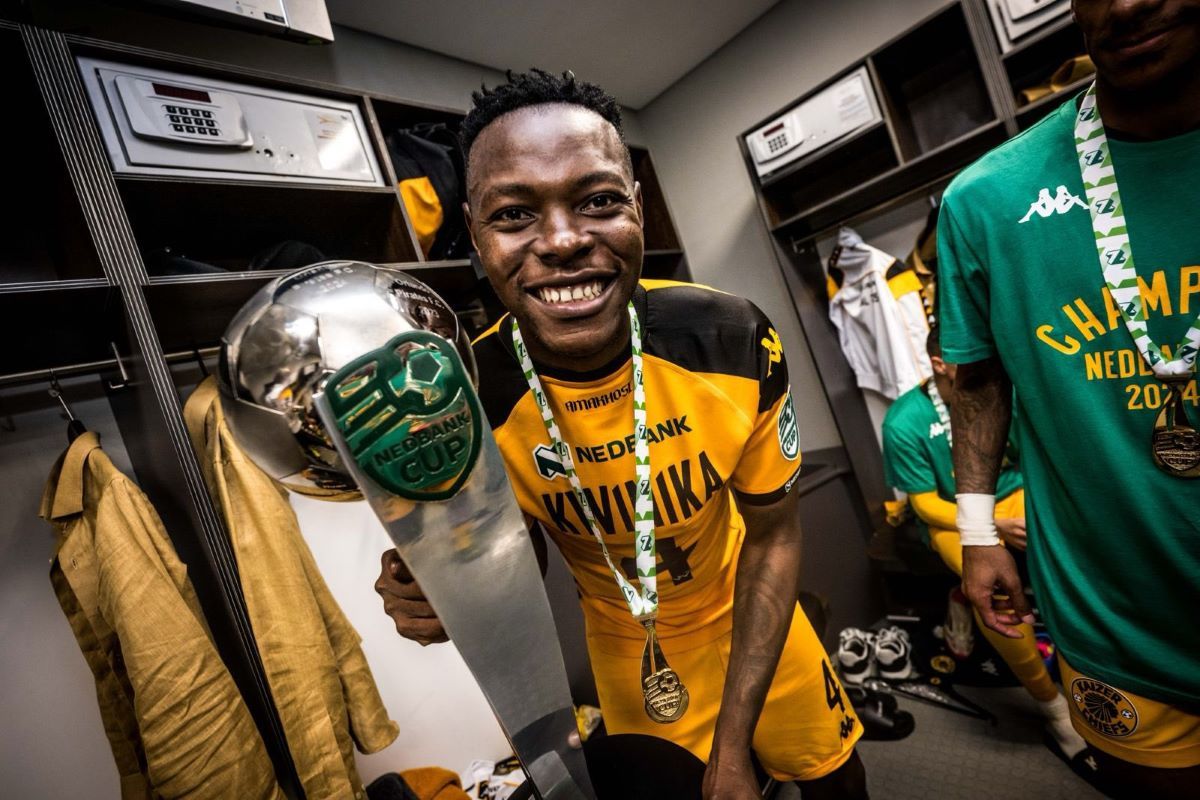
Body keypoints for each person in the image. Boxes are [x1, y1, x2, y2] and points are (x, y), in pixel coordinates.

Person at [375, 69, 867, 799]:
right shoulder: (465, 396)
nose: (563, 241)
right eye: (514, 214)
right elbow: (514, 560)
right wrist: (448, 596)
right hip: (628, 647)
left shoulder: (731, 336)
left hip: (753, 612)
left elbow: (774, 536)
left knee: (839, 787)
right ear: (475, 235)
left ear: (637, 207)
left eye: (599, 201)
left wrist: (734, 746)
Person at [937, 0, 1200, 795]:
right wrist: (977, 531)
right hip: (1116, 620)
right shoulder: (986, 199)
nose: (1125, 5)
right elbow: (979, 378)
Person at [881, 323, 1085, 758]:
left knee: (1075, 540)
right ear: (940, 364)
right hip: (949, 517)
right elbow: (924, 505)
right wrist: (990, 524)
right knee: (991, 592)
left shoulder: (1002, 391)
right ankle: (1053, 708)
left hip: (1012, 492)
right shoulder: (903, 421)